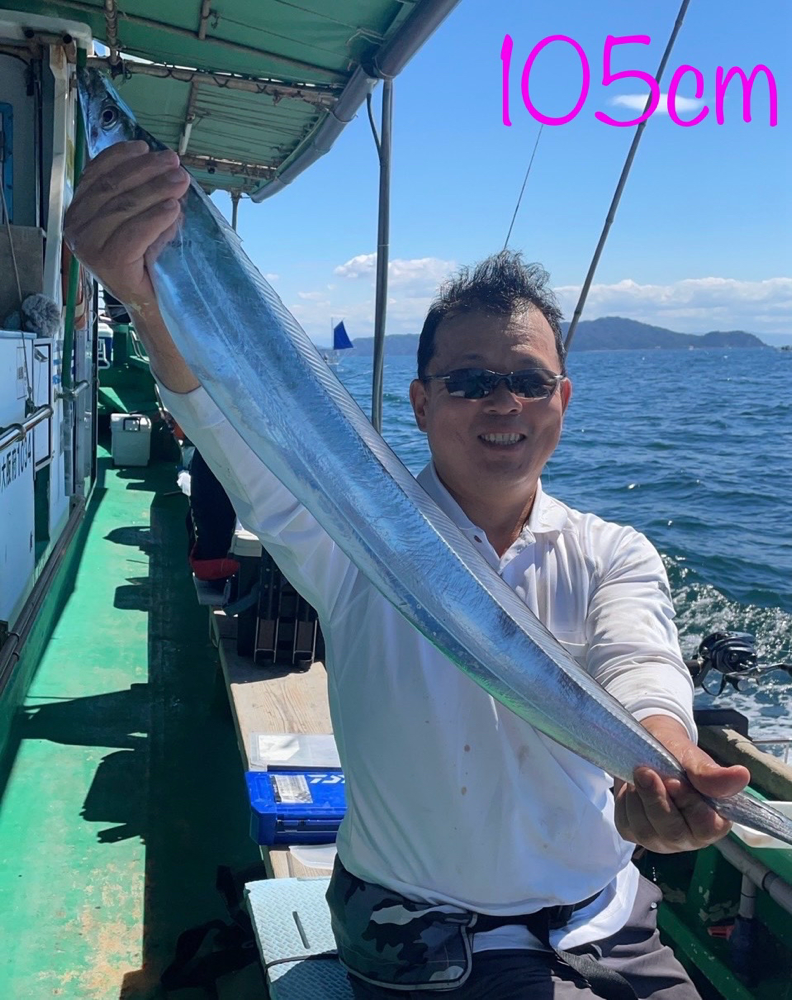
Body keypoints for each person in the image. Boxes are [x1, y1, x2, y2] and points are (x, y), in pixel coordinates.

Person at [65, 142, 750, 1000]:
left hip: (609, 926)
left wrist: (670, 762)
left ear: (563, 401)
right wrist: (145, 301)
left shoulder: (615, 551)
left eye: (530, 381)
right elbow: (229, 432)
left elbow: (639, 664)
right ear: (420, 402)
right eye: (470, 381)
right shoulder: (352, 539)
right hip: (420, 943)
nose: (504, 401)